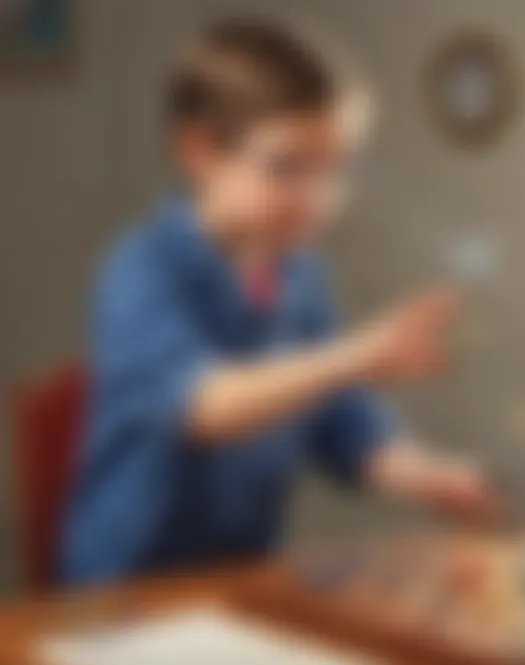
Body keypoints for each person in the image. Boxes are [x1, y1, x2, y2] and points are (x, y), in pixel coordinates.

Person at [60, 18, 495, 587]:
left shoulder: (300, 276)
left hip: (236, 584)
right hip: (123, 595)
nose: (318, 199)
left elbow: (343, 425)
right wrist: (355, 356)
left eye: (334, 169)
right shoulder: (143, 267)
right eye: (287, 168)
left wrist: (430, 475)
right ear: (199, 151)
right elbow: (203, 405)